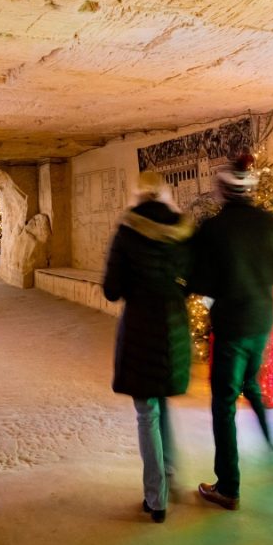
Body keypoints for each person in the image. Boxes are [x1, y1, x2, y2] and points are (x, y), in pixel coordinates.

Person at [190, 153, 273, 510]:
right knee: (253, 384)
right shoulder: (270, 223)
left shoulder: (213, 229)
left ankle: (228, 487)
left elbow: (199, 281)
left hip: (231, 324)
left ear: (223, 190)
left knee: (224, 403)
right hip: (262, 319)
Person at [102, 171, 194, 523]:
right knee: (163, 401)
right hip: (173, 327)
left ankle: (156, 498)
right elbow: (190, 280)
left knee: (147, 413)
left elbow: (112, 289)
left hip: (140, 327)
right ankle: (169, 475)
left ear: (138, 196)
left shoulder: (127, 231)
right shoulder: (184, 230)